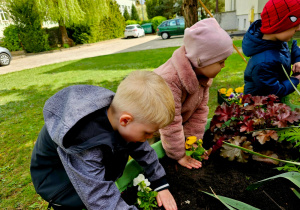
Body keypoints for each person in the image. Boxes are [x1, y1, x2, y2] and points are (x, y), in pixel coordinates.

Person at [30, 71, 177, 210]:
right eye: (147, 133)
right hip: (60, 184)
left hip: (85, 171)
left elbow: (142, 150)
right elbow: (99, 197)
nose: (149, 138)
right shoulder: (85, 142)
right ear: (125, 120)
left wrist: (160, 184)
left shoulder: (120, 114)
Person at [154, 18, 233, 169]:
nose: (224, 65)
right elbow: (170, 122)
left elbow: (200, 111)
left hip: (171, 124)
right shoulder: (170, 80)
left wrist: (193, 144)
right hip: (152, 127)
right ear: (201, 61)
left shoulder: (202, 76)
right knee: (154, 155)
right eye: (220, 61)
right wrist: (180, 155)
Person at [242, 0, 300, 98]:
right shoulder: (264, 62)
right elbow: (274, 92)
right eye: (295, 24)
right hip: (261, 105)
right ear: (278, 26)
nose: (298, 28)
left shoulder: (281, 41)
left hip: (276, 98)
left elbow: (292, 47)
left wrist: (298, 60)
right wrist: (296, 79)